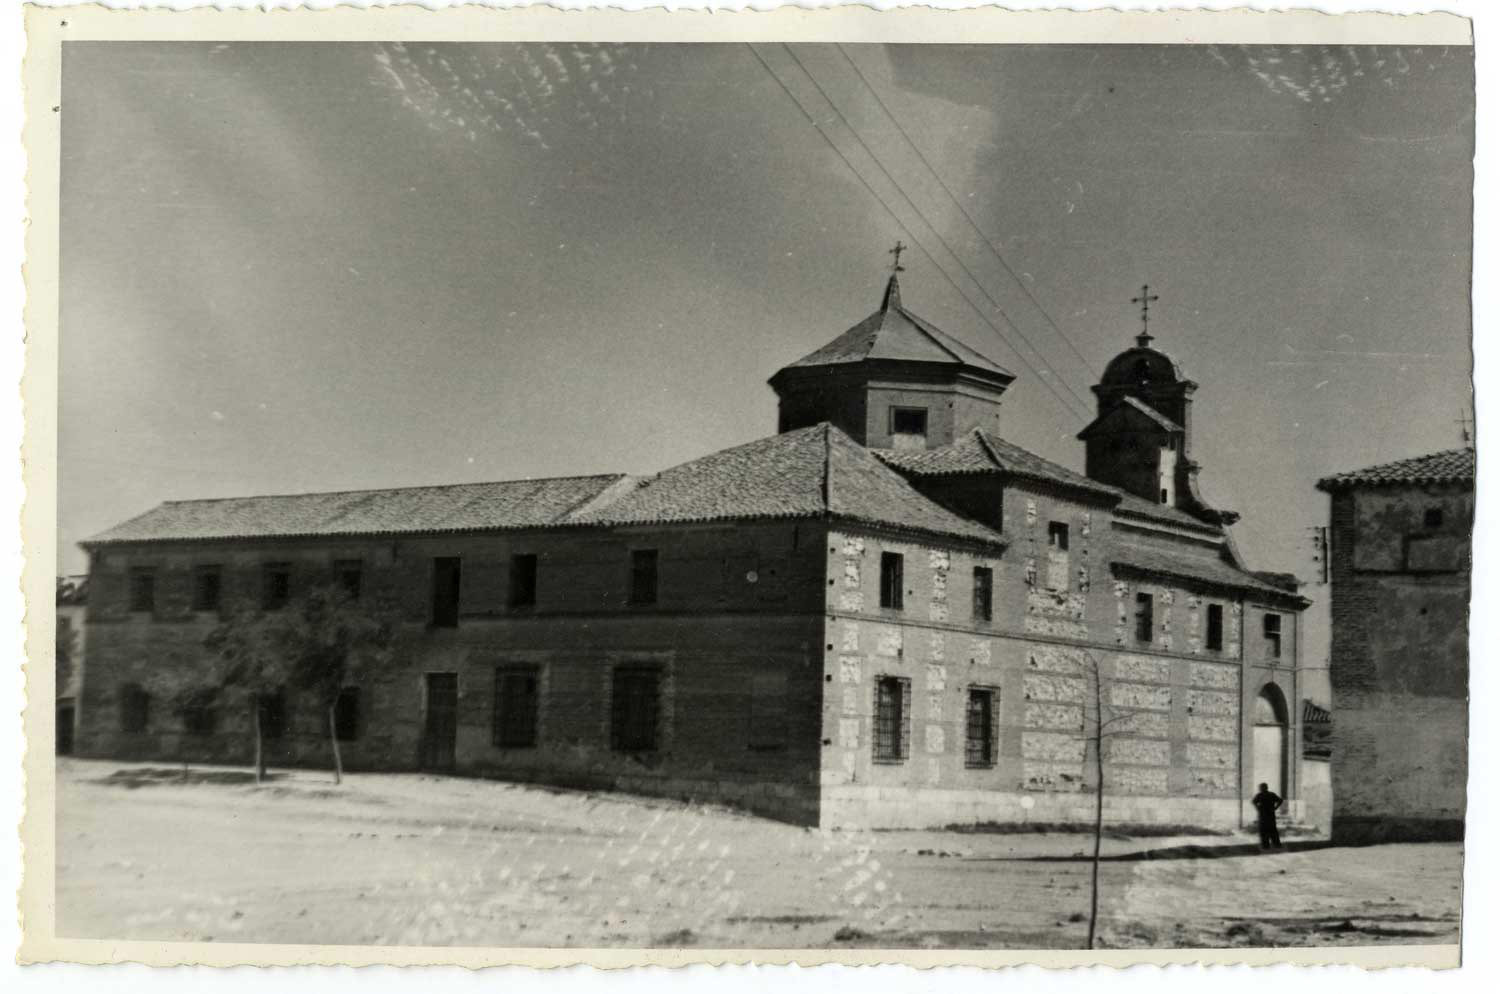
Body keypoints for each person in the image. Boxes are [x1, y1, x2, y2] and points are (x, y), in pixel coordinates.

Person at [1251, 782, 1283, 850]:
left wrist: (1258, 808)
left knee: (1263, 830)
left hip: (1263, 815)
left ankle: (1266, 846)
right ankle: (1277, 844)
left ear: (1263, 788)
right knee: (1273, 830)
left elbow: (1253, 802)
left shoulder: (1260, 795)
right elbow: (1280, 800)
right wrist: (1276, 808)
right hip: (1271, 815)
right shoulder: (1271, 794)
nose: (1260, 789)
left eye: (1261, 787)